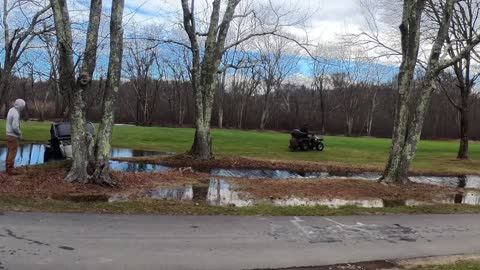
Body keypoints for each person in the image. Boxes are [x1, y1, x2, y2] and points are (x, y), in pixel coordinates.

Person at [5, 99, 25, 175]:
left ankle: (7, 168)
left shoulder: (11, 110)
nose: (23, 108)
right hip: (13, 136)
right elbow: (15, 126)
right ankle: (10, 169)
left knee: (9, 151)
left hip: (8, 134)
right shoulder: (16, 113)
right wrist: (20, 133)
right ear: (20, 106)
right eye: (23, 106)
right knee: (13, 152)